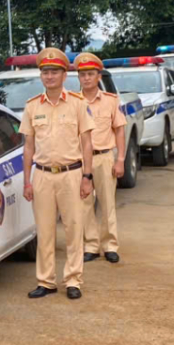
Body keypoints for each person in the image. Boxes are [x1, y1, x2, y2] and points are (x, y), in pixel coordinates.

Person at [20, 48, 95, 300]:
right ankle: (46, 281)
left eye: (54, 72)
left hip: (71, 174)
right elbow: (28, 147)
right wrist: (26, 181)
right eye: (45, 72)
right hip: (41, 175)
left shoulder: (78, 103)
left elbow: (86, 144)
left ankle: (73, 280)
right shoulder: (32, 107)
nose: (49, 76)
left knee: (74, 228)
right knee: (44, 231)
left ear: (64, 75)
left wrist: (87, 177)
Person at [73, 53, 127, 264]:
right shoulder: (72, 102)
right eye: (82, 75)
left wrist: (120, 159)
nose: (86, 78)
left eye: (90, 74)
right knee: (84, 203)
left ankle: (110, 245)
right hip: (79, 160)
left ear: (98, 77)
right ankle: (91, 245)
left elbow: (120, 131)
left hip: (104, 157)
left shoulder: (111, 101)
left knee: (107, 203)